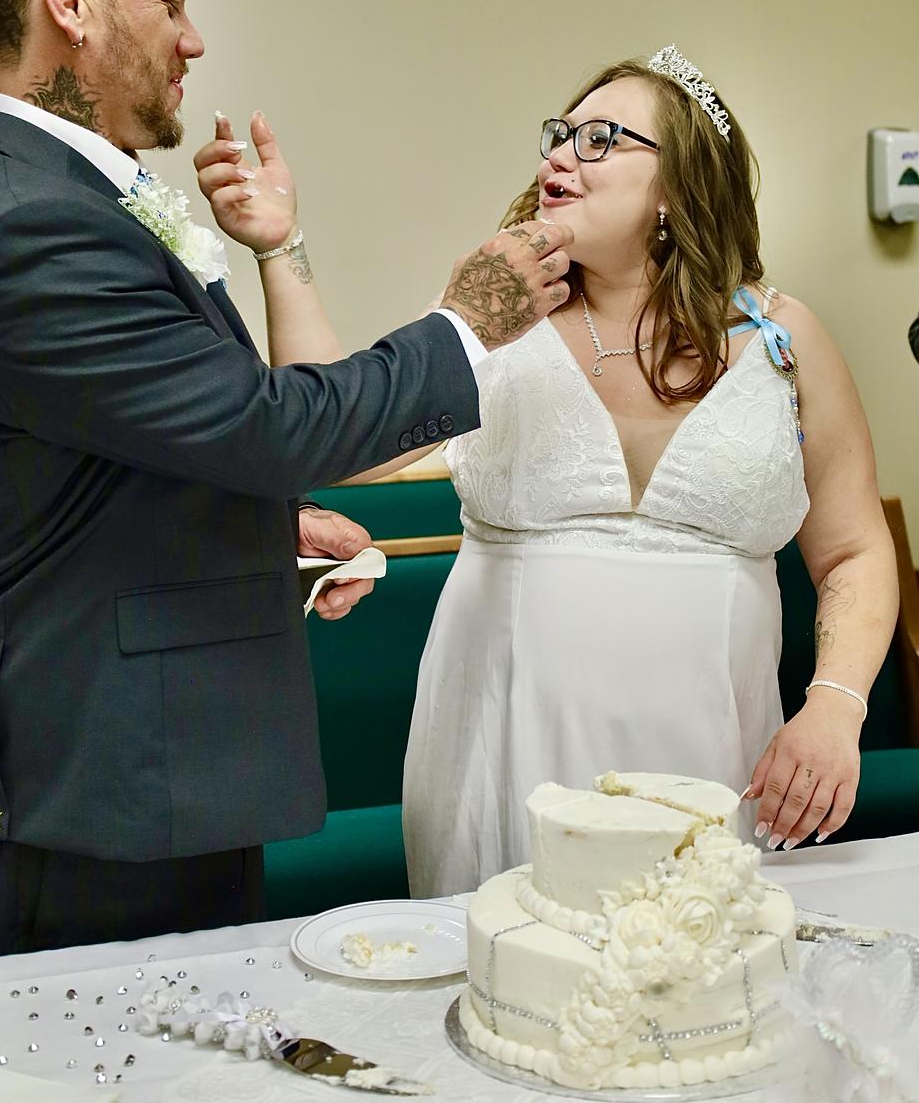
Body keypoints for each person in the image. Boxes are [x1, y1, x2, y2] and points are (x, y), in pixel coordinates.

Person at [0, 0, 571, 961]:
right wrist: (466, 323)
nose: (194, 39)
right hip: (99, 793)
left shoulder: (69, 198)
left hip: (156, 776)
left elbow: (133, 458)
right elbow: (269, 427)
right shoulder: (29, 225)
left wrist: (268, 531)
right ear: (68, 1)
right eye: (170, 2)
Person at [205, 47, 898, 899]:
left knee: (693, 959)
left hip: (711, 745)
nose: (558, 158)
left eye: (600, 139)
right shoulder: (497, 314)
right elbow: (341, 434)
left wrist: (835, 704)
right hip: (503, 741)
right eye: (559, 136)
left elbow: (855, 551)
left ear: (678, 184)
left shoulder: (785, 341)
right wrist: (282, 247)